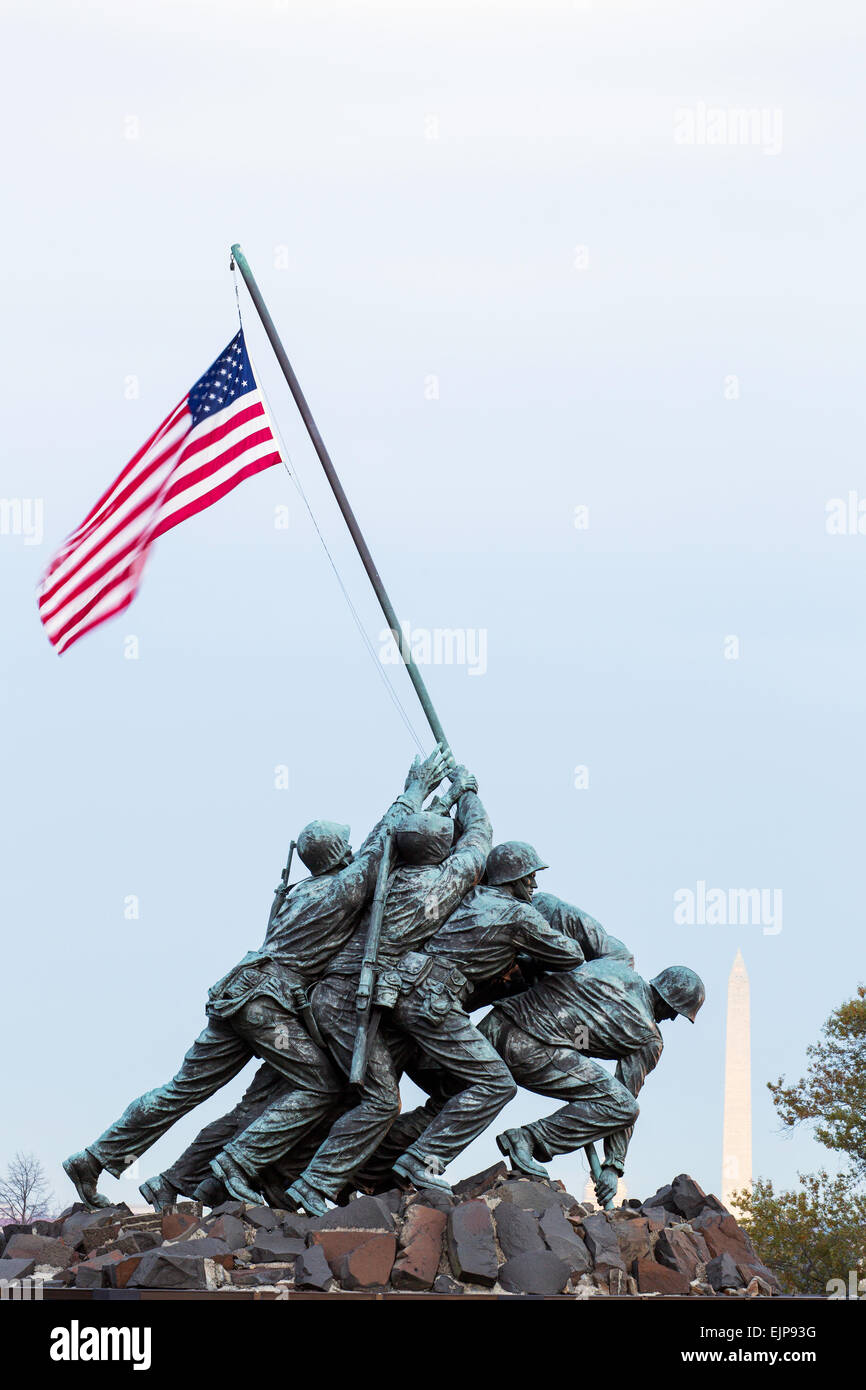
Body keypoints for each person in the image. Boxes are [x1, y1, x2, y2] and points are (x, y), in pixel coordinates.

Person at [62, 745, 451, 1209]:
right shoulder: (342, 889)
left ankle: (97, 1155)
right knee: (321, 1084)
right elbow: (382, 842)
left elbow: (377, 845)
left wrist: (436, 806)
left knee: (181, 1089)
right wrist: (415, 789)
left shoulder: (298, 892)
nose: (352, 849)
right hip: (267, 1002)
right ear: (338, 853)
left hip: (237, 992)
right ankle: (236, 1165)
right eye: (345, 846)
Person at [218, 768, 491, 1215]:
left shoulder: (385, 877)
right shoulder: (439, 885)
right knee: (380, 1100)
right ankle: (305, 1182)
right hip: (348, 1001)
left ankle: (280, 1175)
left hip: (326, 998)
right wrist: (470, 794)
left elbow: (396, 841)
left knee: (349, 1093)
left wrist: (436, 800)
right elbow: (476, 843)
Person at [480, 957, 706, 1200]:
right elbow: (625, 1098)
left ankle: (431, 1156)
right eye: (675, 1011)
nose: (672, 1018)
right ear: (667, 1000)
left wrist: (580, 1052)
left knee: (447, 1091)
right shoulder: (649, 1037)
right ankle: (527, 1138)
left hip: (495, 1024)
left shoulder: (614, 966)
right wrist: (613, 1166)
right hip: (527, 1048)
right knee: (622, 1106)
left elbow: (578, 1024)